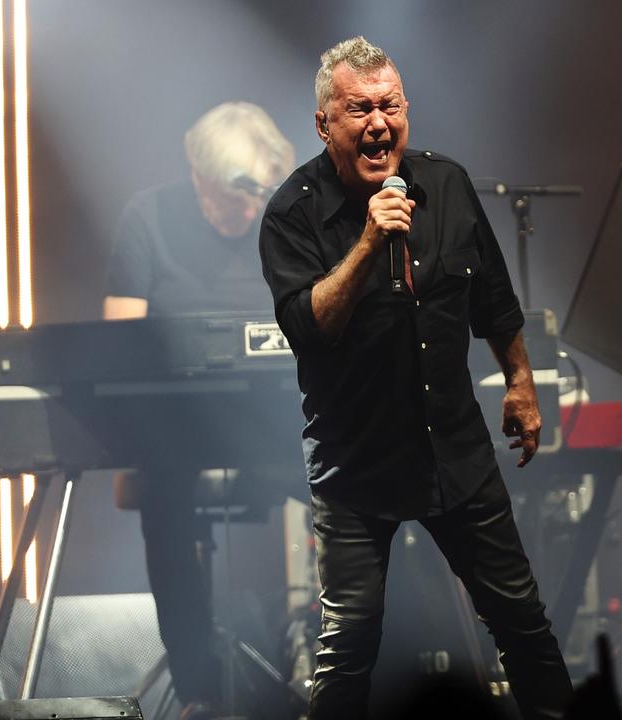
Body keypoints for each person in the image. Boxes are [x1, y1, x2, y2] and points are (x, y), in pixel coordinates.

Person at [258, 37, 574, 720]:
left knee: (523, 622)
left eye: (389, 106)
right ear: (324, 125)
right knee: (348, 647)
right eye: (358, 109)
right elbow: (310, 326)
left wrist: (519, 380)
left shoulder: (448, 185)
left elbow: (492, 297)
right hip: (356, 464)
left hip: (455, 453)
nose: (378, 123)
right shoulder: (293, 213)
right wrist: (370, 242)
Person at [104, 101, 295, 719]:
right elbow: (120, 342)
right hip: (176, 430)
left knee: (365, 475)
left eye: (256, 197)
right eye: (233, 197)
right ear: (197, 174)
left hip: (274, 424)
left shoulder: (284, 223)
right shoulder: (148, 218)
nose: (247, 211)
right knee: (165, 495)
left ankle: (357, 668)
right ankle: (198, 690)